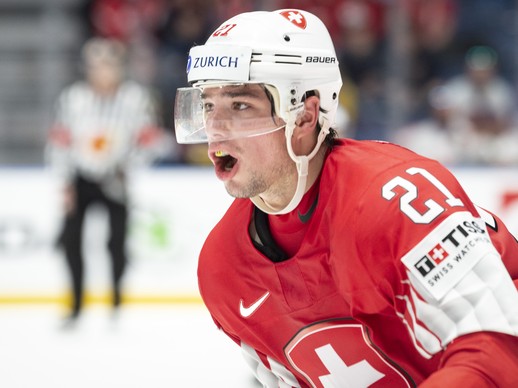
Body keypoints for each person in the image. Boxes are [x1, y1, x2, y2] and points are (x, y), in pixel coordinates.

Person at [174, 9, 518, 387]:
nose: (215, 133)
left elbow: (498, 352)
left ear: (305, 116)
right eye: (208, 106)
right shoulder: (223, 269)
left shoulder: (393, 196)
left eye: (240, 106)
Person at [46, 37, 166, 324]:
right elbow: (59, 142)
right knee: (72, 242)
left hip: (117, 178)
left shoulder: (134, 99)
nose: (103, 72)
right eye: (97, 66)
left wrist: (129, 166)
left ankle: (115, 302)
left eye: (109, 66)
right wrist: (64, 182)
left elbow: (151, 140)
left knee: (117, 243)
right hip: (81, 178)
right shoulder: (73, 98)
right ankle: (75, 305)